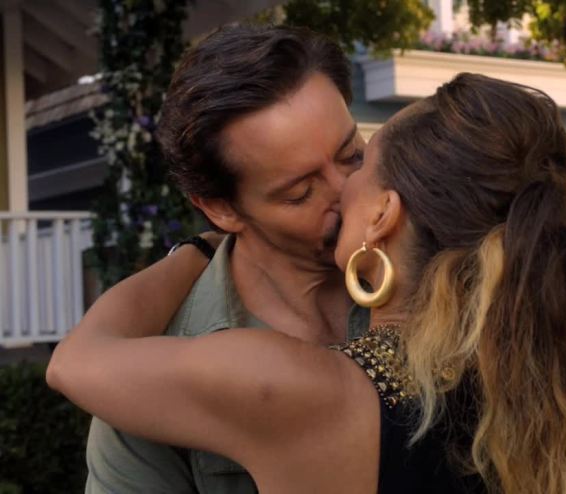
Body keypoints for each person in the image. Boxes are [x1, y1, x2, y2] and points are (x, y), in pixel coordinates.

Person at [49, 73, 566, 493]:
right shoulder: (533, 366)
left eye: (355, 160)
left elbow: (74, 362)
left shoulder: (301, 389)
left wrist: (192, 252)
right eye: (299, 190)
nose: (339, 192)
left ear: (383, 215)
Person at [83, 24, 369, 494]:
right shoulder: (147, 379)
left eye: (351, 155)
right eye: (301, 192)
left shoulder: (436, 271)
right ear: (221, 209)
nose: (350, 193)